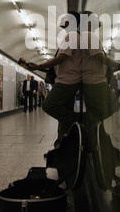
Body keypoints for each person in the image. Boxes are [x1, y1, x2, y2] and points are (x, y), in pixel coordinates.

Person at [26, 11, 81, 147]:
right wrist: (41, 68)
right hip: (67, 80)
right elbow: (62, 63)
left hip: (67, 81)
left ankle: (77, 120)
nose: (63, 20)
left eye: (66, 18)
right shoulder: (71, 36)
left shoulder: (72, 35)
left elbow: (61, 58)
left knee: (49, 105)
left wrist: (40, 65)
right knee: (62, 118)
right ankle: (62, 147)